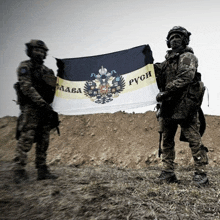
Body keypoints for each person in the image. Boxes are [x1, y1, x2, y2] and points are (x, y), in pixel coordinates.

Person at [154, 26, 209, 185]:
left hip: (185, 106)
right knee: (167, 141)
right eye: (172, 38)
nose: (175, 40)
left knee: (194, 140)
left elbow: (186, 76)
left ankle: (201, 174)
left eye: (178, 37)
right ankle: (168, 172)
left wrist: (166, 92)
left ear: (185, 40)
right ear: (168, 42)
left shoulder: (187, 57)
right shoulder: (165, 64)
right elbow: (153, 77)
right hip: (168, 106)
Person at [13, 40, 58, 183]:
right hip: (31, 109)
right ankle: (19, 170)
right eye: (36, 50)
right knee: (26, 138)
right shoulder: (25, 67)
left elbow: (55, 90)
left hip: (45, 110)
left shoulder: (47, 71)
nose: (39, 53)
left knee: (44, 140)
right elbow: (26, 88)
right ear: (30, 51)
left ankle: (42, 169)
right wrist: (41, 103)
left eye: (42, 51)